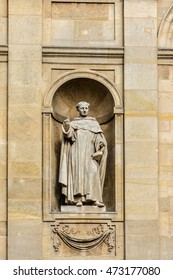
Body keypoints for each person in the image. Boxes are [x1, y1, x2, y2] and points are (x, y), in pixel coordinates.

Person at [59, 101, 107, 207]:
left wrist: (100, 148)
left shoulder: (94, 123)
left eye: (86, 108)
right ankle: (78, 199)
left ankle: (94, 198)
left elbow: (99, 138)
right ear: (78, 110)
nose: (84, 110)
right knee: (78, 174)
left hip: (90, 152)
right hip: (76, 151)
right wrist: (67, 126)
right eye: (82, 108)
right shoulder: (74, 123)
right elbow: (69, 136)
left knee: (93, 172)